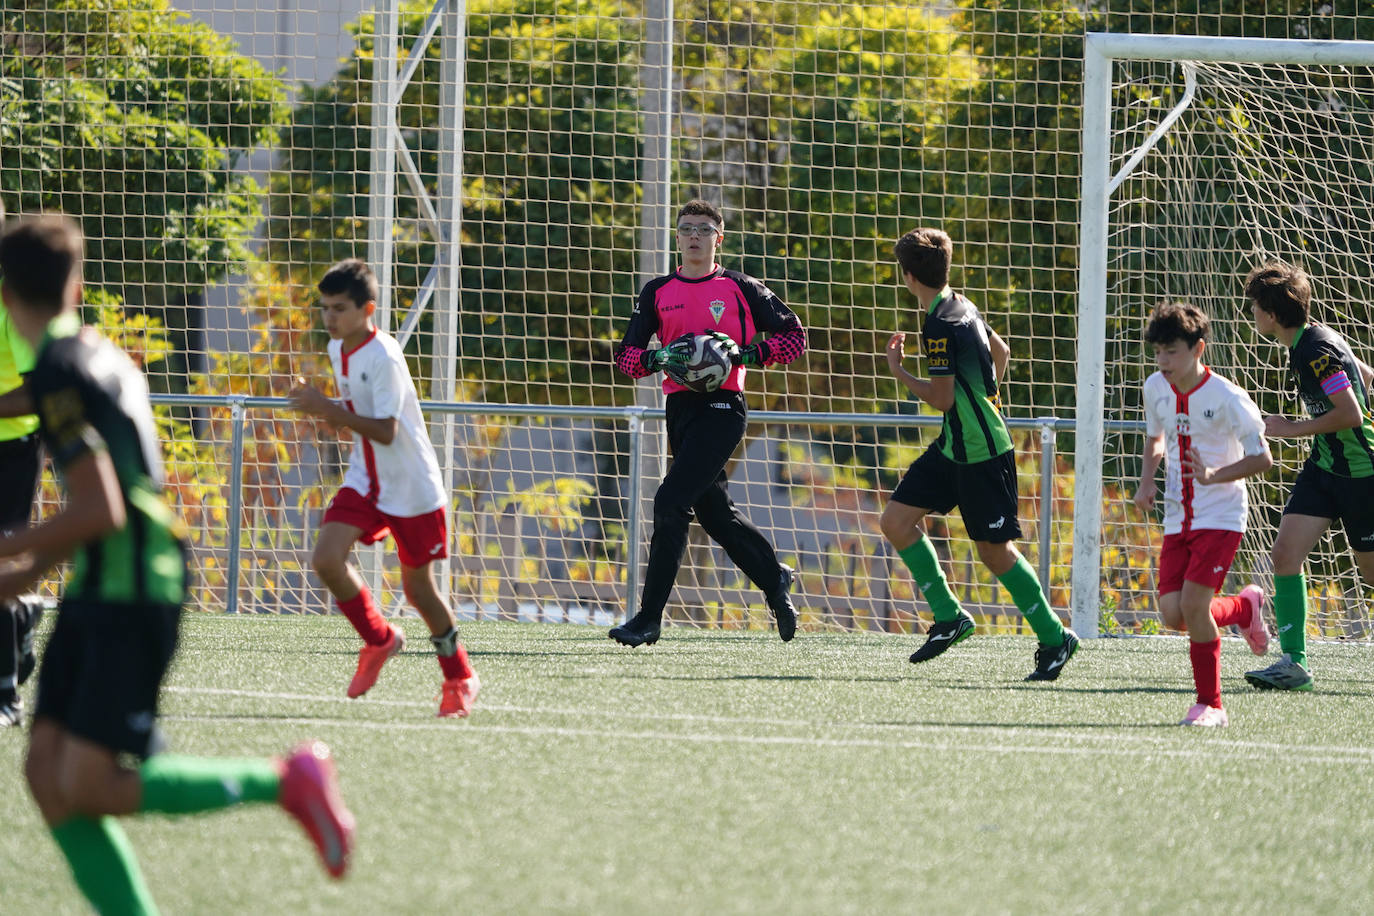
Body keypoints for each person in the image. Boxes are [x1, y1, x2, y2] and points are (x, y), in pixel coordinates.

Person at [0, 214, 355, 914]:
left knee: (95, 785)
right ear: (75, 286)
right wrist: (18, 577)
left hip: (136, 584)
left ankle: (284, 781)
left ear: (7, 295)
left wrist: (9, 552)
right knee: (47, 776)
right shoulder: (90, 354)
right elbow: (109, 497)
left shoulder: (61, 373)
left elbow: (102, 506)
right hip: (109, 577)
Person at [881, 227, 1078, 680]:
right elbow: (1001, 351)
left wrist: (899, 371)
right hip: (956, 445)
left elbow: (944, 398)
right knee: (895, 521)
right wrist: (986, 399)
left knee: (994, 551)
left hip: (982, 452)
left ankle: (1055, 638)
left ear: (908, 276)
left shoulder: (936, 323)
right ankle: (949, 617)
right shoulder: (960, 302)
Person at [608, 199, 806, 646]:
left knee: (670, 501)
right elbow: (626, 357)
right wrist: (657, 357)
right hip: (679, 411)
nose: (693, 235)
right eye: (685, 229)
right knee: (715, 514)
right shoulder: (656, 291)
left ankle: (648, 618)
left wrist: (751, 353)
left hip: (724, 407)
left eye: (703, 228)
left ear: (719, 238)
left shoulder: (740, 287)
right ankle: (774, 578)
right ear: (677, 238)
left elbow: (795, 336)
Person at [289, 258, 479, 716]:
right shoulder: (339, 349)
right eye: (324, 309)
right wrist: (326, 412)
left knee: (419, 592)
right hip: (365, 477)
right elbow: (358, 419)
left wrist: (327, 410)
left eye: (339, 309)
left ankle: (460, 676)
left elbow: (389, 431)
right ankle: (380, 639)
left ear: (367, 309)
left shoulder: (385, 356)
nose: (329, 318)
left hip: (411, 486)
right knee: (326, 559)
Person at [1132, 301, 1273, 727]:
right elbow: (1155, 438)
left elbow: (1262, 459)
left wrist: (1214, 475)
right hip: (1177, 518)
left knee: (1195, 605)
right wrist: (1146, 480)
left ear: (1198, 349)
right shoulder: (1154, 387)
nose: (1163, 361)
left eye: (1171, 351)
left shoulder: (1228, 397)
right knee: (1174, 615)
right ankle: (1244, 609)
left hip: (1222, 516)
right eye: (1157, 352)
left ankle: (1211, 705)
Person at [1244, 260, 1374, 692]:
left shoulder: (1314, 349)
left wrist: (1290, 428)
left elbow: (1351, 412)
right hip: (1323, 469)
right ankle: (1294, 663)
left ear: (1273, 314)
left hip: (1361, 474)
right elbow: (1365, 376)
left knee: (1372, 575)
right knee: (1285, 555)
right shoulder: (1312, 338)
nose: (1253, 314)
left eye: (1256, 307)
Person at [0, 197, 45, 727]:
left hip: (12, 451)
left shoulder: (16, 302)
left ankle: (6, 696)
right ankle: (24, 613)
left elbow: (38, 393)